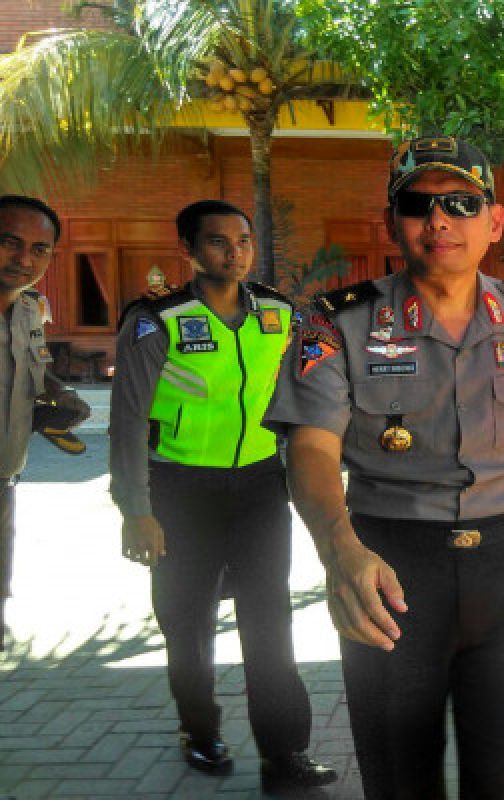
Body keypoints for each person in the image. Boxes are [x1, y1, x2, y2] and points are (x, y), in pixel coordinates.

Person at [263, 135, 504, 799]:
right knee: (398, 774)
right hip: (389, 567)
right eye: (417, 204)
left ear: (494, 222)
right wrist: (340, 552)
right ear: (392, 224)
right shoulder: (334, 325)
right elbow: (310, 449)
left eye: (462, 203)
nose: (440, 220)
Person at [109, 200, 335, 791]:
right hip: (180, 492)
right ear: (188, 250)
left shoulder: (277, 314)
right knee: (188, 625)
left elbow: (303, 397)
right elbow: (128, 420)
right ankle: (200, 730)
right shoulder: (154, 320)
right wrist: (136, 510)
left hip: (260, 488)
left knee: (271, 624)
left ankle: (286, 754)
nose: (233, 252)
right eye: (217, 242)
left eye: (242, 240)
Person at [0, 195, 91, 652]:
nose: (24, 258)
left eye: (40, 249)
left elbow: (32, 367)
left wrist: (58, 393)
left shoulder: (29, 308)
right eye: (9, 243)